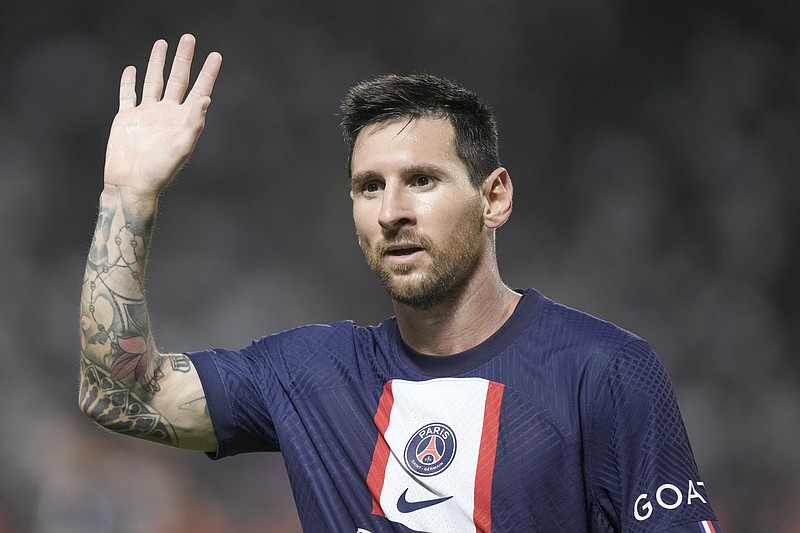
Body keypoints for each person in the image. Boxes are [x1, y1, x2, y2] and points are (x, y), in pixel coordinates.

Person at [78, 34, 723, 533]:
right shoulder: (311, 376)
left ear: (494, 198)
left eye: (422, 179)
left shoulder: (604, 372)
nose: (392, 212)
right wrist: (127, 196)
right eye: (369, 187)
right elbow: (118, 395)